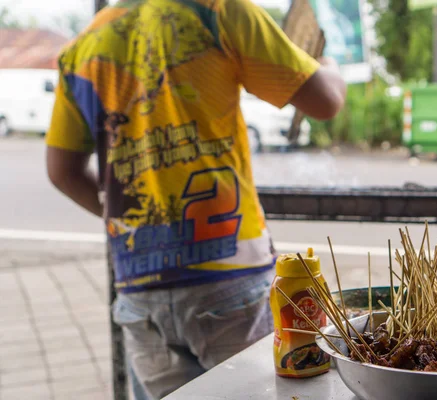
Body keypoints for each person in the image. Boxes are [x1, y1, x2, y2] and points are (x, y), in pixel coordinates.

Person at [44, 0, 346, 398]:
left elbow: (61, 171)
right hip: (229, 276)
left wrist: (127, 223)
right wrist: (327, 65)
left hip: (139, 285)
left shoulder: (83, 47)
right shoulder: (220, 10)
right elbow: (325, 101)